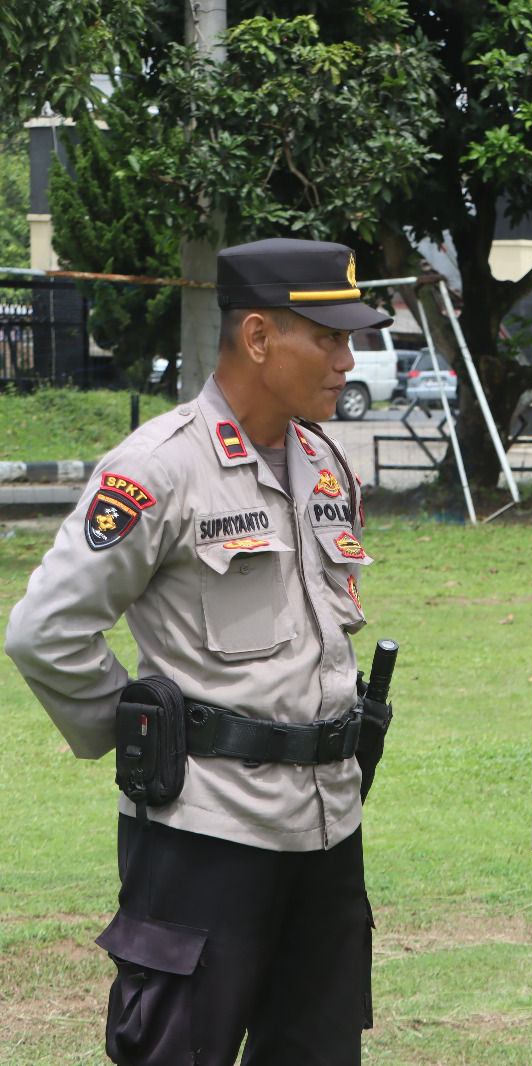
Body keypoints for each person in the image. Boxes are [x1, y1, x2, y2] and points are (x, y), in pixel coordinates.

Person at [5, 238, 393, 1065]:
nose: (346, 360)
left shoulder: (324, 462)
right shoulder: (160, 468)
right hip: (206, 834)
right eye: (328, 338)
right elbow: (45, 630)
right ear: (258, 337)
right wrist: (143, 737)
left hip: (328, 828)